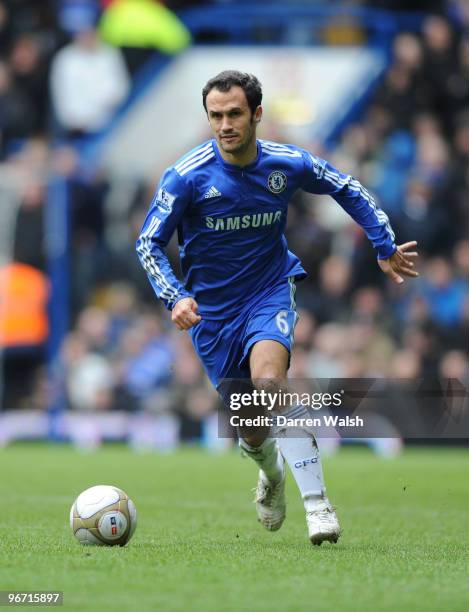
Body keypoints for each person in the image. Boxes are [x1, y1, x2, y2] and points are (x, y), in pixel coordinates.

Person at [136, 70, 418, 545]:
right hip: (212, 314)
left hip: (269, 290)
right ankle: (271, 473)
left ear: (256, 114)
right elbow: (148, 242)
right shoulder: (186, 176)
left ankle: (318, 506)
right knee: (249, 426)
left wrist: (382, 243)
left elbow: (346, 186)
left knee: (270, 382)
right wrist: (175, 296)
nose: (224, 125)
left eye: (234, 114)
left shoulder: (287, 163)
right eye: (215, 116)